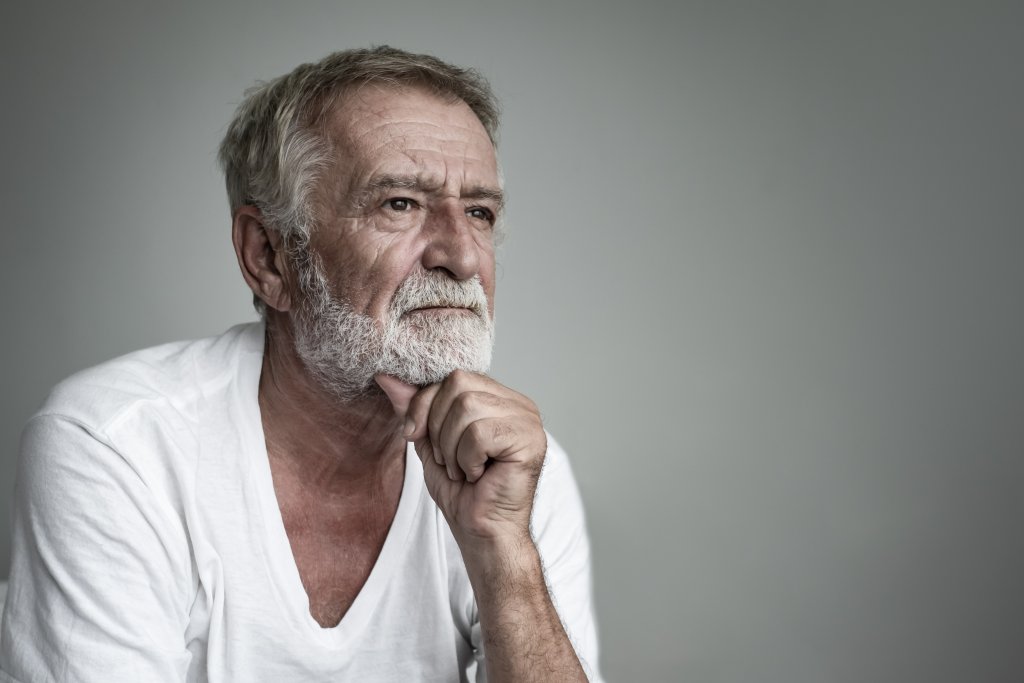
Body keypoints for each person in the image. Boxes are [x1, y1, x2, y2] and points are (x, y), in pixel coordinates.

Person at [0, 47, 601, 682]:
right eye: (399, 203)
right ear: (268, 257)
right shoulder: (118, 447)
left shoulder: (513, 473)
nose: (463, 256)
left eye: (479, 212)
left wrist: (504, 554)